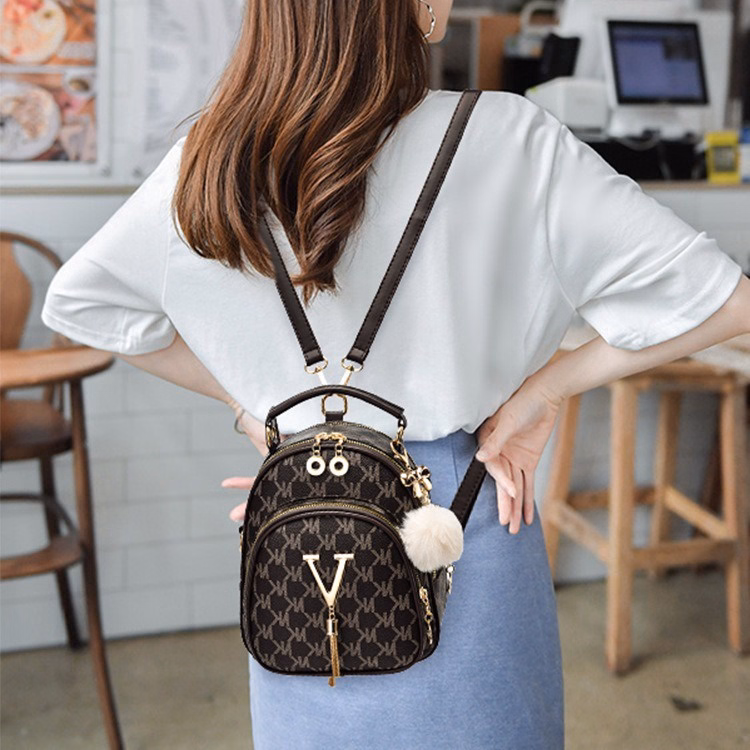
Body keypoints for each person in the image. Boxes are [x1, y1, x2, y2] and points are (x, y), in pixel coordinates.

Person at [40, 1, 750, 748]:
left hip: (297, 526)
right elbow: (727, 302)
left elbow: (83, 305)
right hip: (460, 508)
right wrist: (548, 387)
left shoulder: (209, 155)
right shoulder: (507, 137)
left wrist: (258, 411)